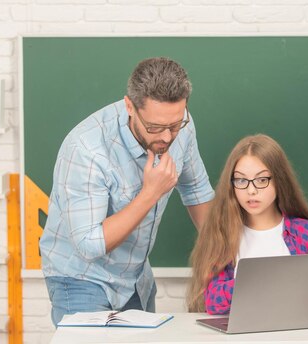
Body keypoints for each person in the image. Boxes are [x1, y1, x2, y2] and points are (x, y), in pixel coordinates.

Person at [40, 57, 214, 326]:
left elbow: (196, 189)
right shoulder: (87, 148)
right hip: (81, 280)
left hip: (135, 278)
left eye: (175, 125)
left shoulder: (183, 128)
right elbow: (89, 243)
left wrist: (224, 253)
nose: (167, 137)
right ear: (130, 107)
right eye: (155, 128)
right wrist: (150, 194)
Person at [186, 134, 308, 314]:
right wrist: (254, 281)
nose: (251, 190)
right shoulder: (223, 234)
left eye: (262, 180)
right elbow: (213, 301)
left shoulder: (307, 232)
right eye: (241, 180)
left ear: (279, 181)